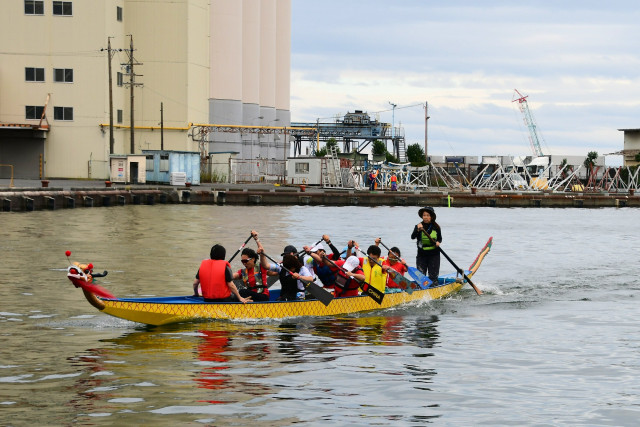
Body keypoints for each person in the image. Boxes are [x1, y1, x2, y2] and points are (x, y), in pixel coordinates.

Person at [410, 206, 442, 286]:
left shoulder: (436, 227)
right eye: (424, 215)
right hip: (422, 254)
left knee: (433, 277)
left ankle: (434, 286)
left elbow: (440, 238)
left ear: (431, 217)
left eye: (428, 215)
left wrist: (438, 242)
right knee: (421, 276)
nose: (426, 217)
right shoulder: (418, 226)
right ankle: (420, 289)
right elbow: (412, 237)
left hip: (434, 254)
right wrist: (417, 230)